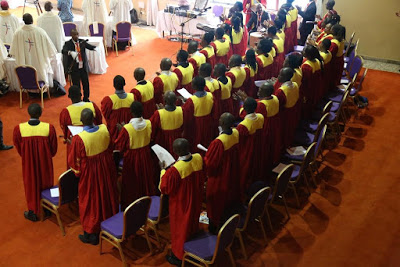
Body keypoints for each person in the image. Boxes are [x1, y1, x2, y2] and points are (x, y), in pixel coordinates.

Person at [68, 108, 119, 245]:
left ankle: (92, 233)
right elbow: (110, 147)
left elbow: (75, 162)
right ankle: (109, 223)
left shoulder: (79, 139)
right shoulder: (104, 129)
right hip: (106, 168)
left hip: (90, 173)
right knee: (106, 194)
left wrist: (77, 172)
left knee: (91, 200)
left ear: (81, 121)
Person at [159, 138, 205, 266]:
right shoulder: (198, 158)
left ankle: (178, 256)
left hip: (181, 204)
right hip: (196, 198)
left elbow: (165, 188)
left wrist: (163, 171)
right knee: (192, 222)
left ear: (175, 151)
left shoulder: (174, 171)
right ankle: (192, 244)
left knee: (180, 228)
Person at [13, 104, 58, 221]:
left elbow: (18, 147)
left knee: (31, 183)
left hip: (29, 163)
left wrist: (27, 156)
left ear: (29, 113)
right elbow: (53, 149)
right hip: (45, 162)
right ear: (40, 114)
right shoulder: (48, 128)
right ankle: (47, 208)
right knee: (46, 182)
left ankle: (33, 211)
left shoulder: (20, 129)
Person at [115, 101, 156, 210]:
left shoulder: (127, 129)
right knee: (145, 177)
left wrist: (121, 130)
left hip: (132, 158)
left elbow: (120, 146)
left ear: (131, 112)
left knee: (133, 180)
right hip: (146, 154)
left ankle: (133, 203)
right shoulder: (148, 123)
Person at [205, 112, 240, 231]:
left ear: (223, 123)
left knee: (215, 199)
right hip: (231, 170)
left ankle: (215, 227)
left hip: (220, 175)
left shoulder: (219, 142)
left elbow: (211, 163)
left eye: (220, 119)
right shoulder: (235, 133)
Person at [59, 85, 102, 167]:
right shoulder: (92, 105)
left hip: (76, 140)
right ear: (81, 94)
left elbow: (64, 127)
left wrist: (65, 137)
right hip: (93, 137)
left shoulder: (66, 111)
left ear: (69, 97)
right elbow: (99, 121)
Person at [10, 13, 57, 85]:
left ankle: (28, 89)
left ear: (23, 21)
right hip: (39, 62)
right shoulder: (40, 32)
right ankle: (41, 91)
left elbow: (13, 51)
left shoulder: (18, 33)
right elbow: (50, 48)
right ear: (32, 20)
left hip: (25, 61)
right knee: (40, 72)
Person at [236, 97, 264, 196]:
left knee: (245, 168)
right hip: (258, 145)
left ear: (244, 108)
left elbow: (239, 140)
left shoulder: (243, 125)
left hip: (247, 149)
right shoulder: (261, 116)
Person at [62, 29, 97, 102]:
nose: (76, 36)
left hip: (83, 67)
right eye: (74, 35)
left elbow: (89, 46)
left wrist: (95, 48)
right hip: (75, 68)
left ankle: (86, 98)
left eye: (77, 34)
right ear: (71, 35)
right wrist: (70, 52)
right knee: (76, 85)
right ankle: (78, 99)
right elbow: (63, 51)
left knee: (86, 84)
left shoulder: (82, 42)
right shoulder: (68, 43)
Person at [182, 76, 216, 152]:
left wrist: (184, 104)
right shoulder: (210, 95)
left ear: (194, 86)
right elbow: (215, 111)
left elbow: (187, 116)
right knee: (207, 139)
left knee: (197, 142)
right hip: (208, 121)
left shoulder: (191, 100)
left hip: (196, 124)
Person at [150, 91, 184, 158]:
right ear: (176, 100)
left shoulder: (158, 114)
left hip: (164, 140)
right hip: (178, 138)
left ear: (164, 101)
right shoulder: (181, 110)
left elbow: (152, 128)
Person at [101, 75, 135, 140]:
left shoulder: (109, 100)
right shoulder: (132, 97)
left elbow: (106, 115)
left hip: (114, 131)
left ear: (114, 85)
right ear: (124, 84)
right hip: (129, 129)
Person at [274, 68, 300, 148]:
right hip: (293, 110)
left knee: (284, 133)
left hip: (284, 114)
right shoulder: (295, 84)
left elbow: (277, 105)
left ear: (286, 77)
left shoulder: (281, 91)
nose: (278, 76)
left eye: (280, 75)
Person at [301, 45, 323, 118]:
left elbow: (305, 81)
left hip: (309, 89)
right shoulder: (317, 61)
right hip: (316, 85)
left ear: (308, 55)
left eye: (304, 51)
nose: (303, 51)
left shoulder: (306, 67)